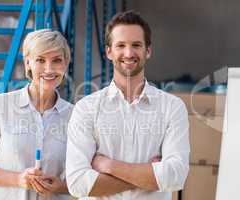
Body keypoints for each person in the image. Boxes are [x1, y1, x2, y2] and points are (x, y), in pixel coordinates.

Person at [66, 10, 190, 200]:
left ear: (148, 50)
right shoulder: (86, 108)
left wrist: (109, 166)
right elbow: (77, 183)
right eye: (120, 45)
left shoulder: (172, 107)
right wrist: (151, 175)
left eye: (136, 45)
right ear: (109, 51)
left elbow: (176, 176)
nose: (128, 53)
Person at [0, 29, 73, 200]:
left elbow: (83, 178)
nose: (49, 68)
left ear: (66, 64)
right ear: (27, 63)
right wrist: (18, 180)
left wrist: (61, 187)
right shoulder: (0, 106)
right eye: (40, 60)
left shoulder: (74, 116)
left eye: (57, 60)